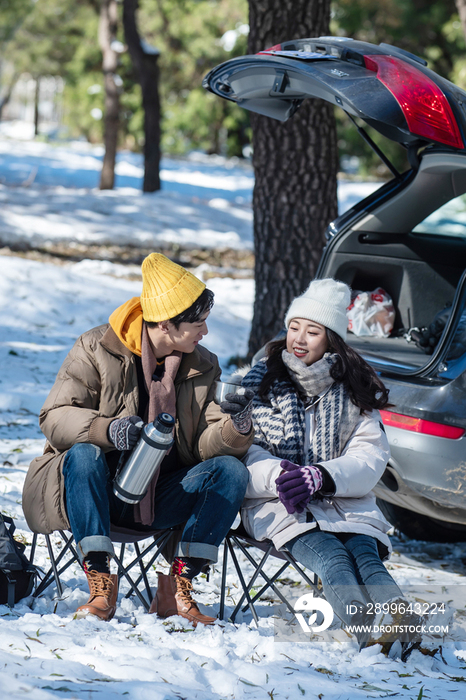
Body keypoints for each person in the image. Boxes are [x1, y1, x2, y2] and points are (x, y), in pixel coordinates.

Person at [23, 253, 254, 625]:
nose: (205, 332)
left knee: (229, 471)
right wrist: (107, 430)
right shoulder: (96, 347)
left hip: (161, 494)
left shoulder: (203, 364)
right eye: (198, 323)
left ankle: (178, 587)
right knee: (84, 454)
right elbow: (54, 416)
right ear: (165, 323)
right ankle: (100, 583)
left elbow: (204, 445)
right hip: (93, 492)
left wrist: (237, 426)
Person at [240, 278, 422, 660]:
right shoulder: (260, 383)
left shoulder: (353, 391)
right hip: (280, 503)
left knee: (365, 555)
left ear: (332, 340)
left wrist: (322, 476)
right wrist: (281, 476)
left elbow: (369, 456)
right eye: (294, 327)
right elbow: (245, 450)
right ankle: (369, 632)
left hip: (344, 500)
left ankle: (402, 621)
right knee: (332, 558)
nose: (300, 339)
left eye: (313, 331)